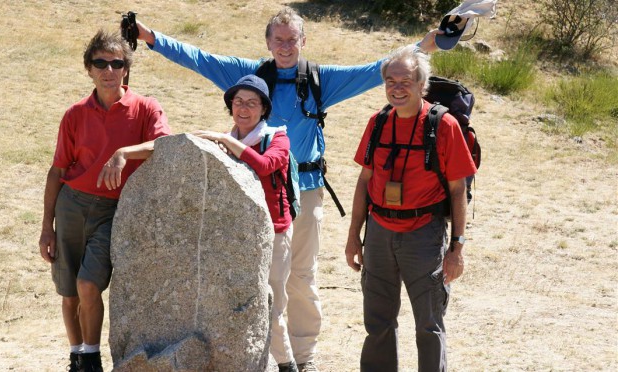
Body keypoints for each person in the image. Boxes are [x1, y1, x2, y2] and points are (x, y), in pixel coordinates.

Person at [130, 8, 441, 371]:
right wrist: (151, 37)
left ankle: (302, 358)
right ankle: (263, 354)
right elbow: (200, 59)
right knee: (251, 277)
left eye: (292, 39)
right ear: (267, 42)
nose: (285, 46)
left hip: (305, 193)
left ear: (303, 41)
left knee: (300, 277)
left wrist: (424, 45)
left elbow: (376, 70)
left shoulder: (320, 80)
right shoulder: (249, 76)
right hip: (251, 191)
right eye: (278, 39)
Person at [38, 29, 171, 372]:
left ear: (126, 69)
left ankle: (93, 358)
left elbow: (164, 146)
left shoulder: (145, 108)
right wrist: (46, 227)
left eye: (116, 63)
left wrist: (123, 153)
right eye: (100, 63)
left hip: (117, 210)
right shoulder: (75, 114)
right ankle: (77, 356)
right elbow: (57, 171)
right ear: (89, 69)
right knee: (68, 293)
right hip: (72, 205)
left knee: (88, 283)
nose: (108, 70)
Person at [344, 45, 477, 371]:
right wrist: (353, 236)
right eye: (391, 81)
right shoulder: (377, 122)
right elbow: (365, 181)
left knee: (429, 325)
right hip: (378, 233)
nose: (397, 87)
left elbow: (458, 188)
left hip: (424, 234)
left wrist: (457, 248)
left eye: (406, 81)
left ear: (422, 84)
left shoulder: (444, 126)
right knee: (377, 322)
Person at [193, 75, 299, 372]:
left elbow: (266, 165)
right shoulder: (225, 141)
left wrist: (226, 141)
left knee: (273, 307)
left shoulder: (277, 137)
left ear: (263, 109)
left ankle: (287, 365)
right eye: (238, 102)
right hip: (237, 236)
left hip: (275, 233)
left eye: (252, 103)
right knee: (241, 307)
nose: (243, 108)